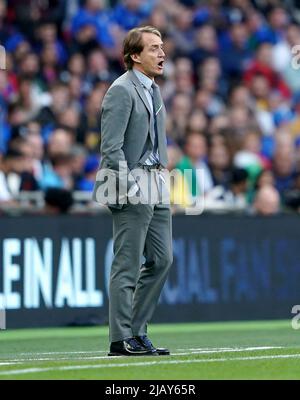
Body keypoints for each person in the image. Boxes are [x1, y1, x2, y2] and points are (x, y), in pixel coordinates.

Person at [93, 26, 173, 356]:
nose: (162, 53)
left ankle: (137, 332)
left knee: (163, 259)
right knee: (126, 265)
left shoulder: (153, 90)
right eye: (154, 48)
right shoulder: (121, 91)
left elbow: (158, 143)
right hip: (131, 186)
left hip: (157, 184)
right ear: (134, 56)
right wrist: (133, 187)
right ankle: (119, 338)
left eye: (162, 46)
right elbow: (112, 149)